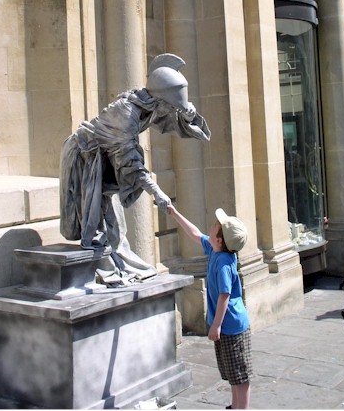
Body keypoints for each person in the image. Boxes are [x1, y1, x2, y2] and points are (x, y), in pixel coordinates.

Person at [59, 53, 210, 284]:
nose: (171, 111)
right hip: (85, 159)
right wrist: (157, 193)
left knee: (115, 224)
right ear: (161, 101)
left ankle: (118, 265)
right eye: (170, 107)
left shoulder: (149, 105)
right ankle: (104, 270)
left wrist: (188, 117)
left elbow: (171, 122)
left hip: (104, 160)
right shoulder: (126, 114)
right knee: (96, 224)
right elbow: (132, 164)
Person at [168, 204, 252, 410]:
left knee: (240, 376)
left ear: (220, 240)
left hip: (232, 326)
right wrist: (175, 213)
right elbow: (195, 234)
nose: (213, 225)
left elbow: (225, 295)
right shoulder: (216, 250)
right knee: (233, 373)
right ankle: (235, 406)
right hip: (226, 325)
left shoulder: (224, 263)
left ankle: (242, 408)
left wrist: (216, 325)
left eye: (216, 225)